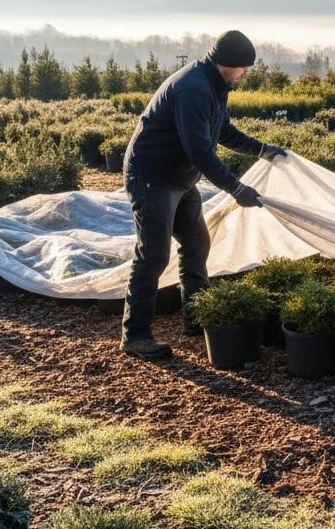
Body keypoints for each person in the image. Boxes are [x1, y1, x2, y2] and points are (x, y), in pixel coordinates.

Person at [120, 30, 289, 360]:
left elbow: (221, 130)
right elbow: (200, 152)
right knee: (153, 255)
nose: (246, 74)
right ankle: (135, 335)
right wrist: (236, 188)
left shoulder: (216, 85)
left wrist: (263, 150)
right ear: (228, 63)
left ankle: (195, 317)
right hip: (152, 177)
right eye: (243, 68)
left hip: (180, 178)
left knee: (197, 244)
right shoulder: (193, 89)